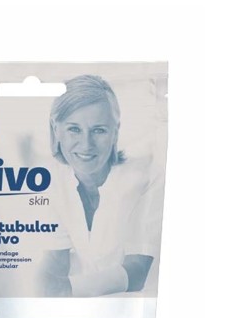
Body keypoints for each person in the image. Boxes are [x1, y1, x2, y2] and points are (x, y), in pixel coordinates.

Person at [41, 74, 162, 297]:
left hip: (138, 307)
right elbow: (55, 264)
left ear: (116, 131)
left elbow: (137, 272)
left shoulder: (147, 177)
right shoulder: (51, 181)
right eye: (74, 129)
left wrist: (65, 289)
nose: (86, 145)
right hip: (83, 307)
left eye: (99, 130)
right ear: (55, 129)